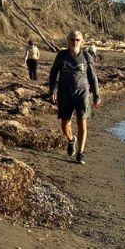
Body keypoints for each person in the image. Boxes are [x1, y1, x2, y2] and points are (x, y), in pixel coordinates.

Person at [48, 30, 101, 164]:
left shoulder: (87, 56)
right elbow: (53, 73)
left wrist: (96, 95)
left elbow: (93, 77)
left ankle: (80, 153)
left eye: (77, 39)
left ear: (81, 41)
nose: (74, 42)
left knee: (82, 123)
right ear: (68, 40)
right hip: (64, 93)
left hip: (82, 93)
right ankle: (71, 140)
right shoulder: (61, 55)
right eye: (72, 39)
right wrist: (52, 90)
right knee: (65, 124)